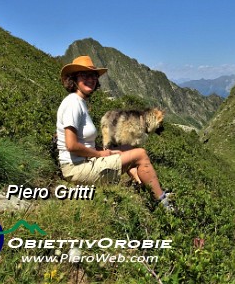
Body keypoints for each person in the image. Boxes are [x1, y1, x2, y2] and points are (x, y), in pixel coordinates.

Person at [56, 56, 174, 212]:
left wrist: (107, 152)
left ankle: (141, 184)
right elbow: (71, 145)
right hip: (76, 169)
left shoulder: (80, 103)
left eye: (93, 76)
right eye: (84, 75)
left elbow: (77, 141)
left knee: (128, 150)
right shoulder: (73, 103)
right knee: (140, 154)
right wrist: (101, 153)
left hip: (82, 163)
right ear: (74, 79)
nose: (90, 79)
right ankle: (163, 203)